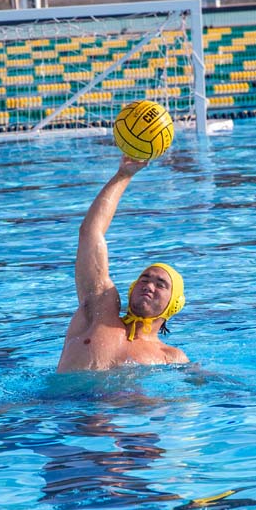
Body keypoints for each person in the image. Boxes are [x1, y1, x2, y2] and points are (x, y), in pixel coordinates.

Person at [57, 154, 189, 372]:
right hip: (58, 405)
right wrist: (123, 175)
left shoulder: (170, 357)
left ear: (173, 305)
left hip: (126, 405)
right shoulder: (98, 313)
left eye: (161, 284)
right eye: (144, 279)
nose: (149, 285)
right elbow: (90, 234)